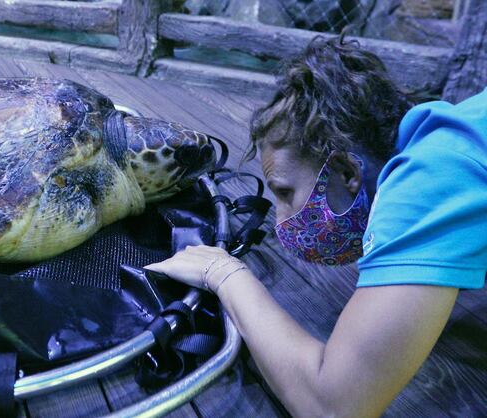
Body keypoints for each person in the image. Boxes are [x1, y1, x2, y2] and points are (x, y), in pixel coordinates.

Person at [145, 36, 487, 417]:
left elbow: (334, 405)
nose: (280, 221)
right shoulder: (458, 135)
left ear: (345, 171)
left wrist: (224, 273)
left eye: (285, 192)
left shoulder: (434, 174)